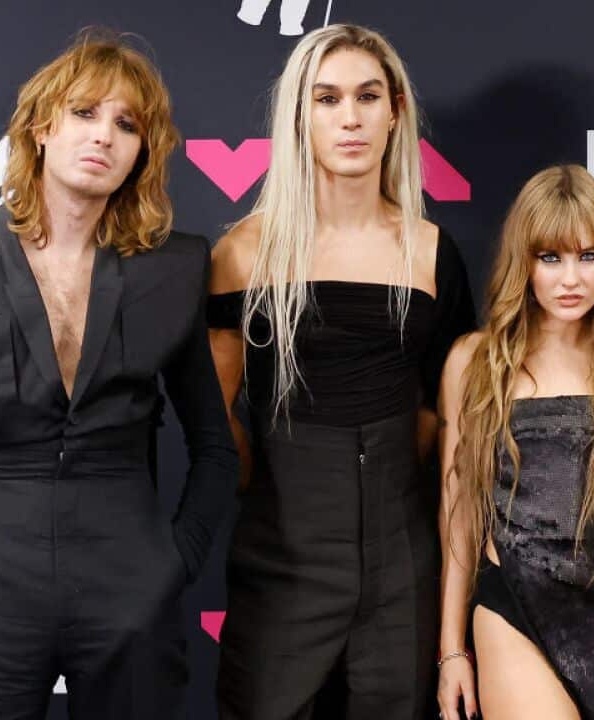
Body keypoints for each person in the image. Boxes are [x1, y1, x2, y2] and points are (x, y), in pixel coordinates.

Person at [0, 31, 238, 720]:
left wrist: (171, 566)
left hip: (131, 584)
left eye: (127, 123)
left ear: (143, 151)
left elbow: (215, 448)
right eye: (85, 112)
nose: (103, 136)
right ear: (41, 127)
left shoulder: (175, 270)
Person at [206, 23, 475, 719]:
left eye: (367, 96)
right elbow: (216, 423)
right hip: (281, 562)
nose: (349, 118)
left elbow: (441, 426)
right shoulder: (243, 254)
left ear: (395, 114)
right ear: (299, 117)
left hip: (401, 563)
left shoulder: (432, 253)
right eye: (327, 99)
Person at [437, 165, 594, 720]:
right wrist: (450, 650)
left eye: (588, 256)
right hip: (515, 603)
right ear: (524, 262)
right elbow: (459, 511)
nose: (571, 279)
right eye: (550, 257)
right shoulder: (475, 360)